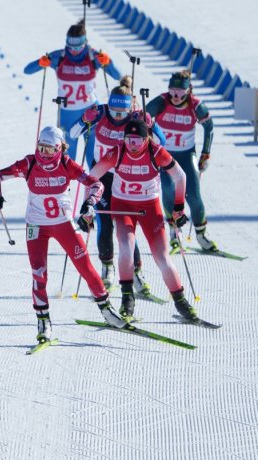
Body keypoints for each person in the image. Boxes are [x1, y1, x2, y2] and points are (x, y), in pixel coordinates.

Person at [0, 126, 128, 342]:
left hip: (63, 224)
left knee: (85, 267)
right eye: (40, 148)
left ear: (58, 149)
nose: (43, 154)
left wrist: (89, 202)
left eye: (48, 150)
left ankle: (106, 309)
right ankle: (43, 320)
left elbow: (96, 184)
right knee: (38, 273)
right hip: (36, 227)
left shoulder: (66, 164)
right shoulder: (30, 163)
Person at [89, 119, 199, 322]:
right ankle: (127, 299)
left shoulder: (155, 152)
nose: (132, 144)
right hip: (122, 206)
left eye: (137, 140)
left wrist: (178, 207)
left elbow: (180, 176)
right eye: (129, 139)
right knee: (125, 248)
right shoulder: (117, 151)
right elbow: (93, 176)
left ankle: (181, 301)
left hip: (150, 208)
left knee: (163, 258)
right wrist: (88, 203)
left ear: (146, 139)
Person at [68, 76, 165, 293]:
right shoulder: (100, 112)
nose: (118, 117)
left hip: (124, 178)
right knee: (104, 223)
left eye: (122, 113)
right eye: (114, 111)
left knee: (126, 226)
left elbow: (161, 144)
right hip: (101, 177)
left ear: (130, 108)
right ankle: (108, 267)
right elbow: (72, 134)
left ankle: (136, 273)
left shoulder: (136, 120)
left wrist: (150, 126)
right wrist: (84, 119)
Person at [23, 20, 121, 160]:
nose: (74, 51)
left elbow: (118, 76)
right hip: (67, 113)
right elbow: (27, 70)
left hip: (92, 110)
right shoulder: (59, 57)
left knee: (93, 157)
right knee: (68, 158)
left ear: (85, 43)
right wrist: (40, 62)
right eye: (71, 46)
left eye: (78, 47)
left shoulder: (93, 56)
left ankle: (96, 182)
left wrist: (108, 62)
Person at [146, 70, 217, 252]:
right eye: (172, 91)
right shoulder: (162, 101)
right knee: (169, 189)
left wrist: (205, 153)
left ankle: (202, 235)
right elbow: (142, 118)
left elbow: (209, 126)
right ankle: (174, 232)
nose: (175, 96)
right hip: (165, 155)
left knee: (193, 194)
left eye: (180, 92)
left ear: (188, 91)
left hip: (186, 155)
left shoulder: (195, 105)